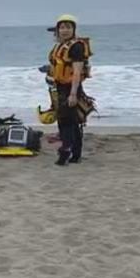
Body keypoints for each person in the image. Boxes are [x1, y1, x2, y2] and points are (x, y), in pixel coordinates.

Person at [45, 14, 92, 166]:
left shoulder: (76, 47)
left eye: (68, 27)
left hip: (71, 88)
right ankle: (76, 154)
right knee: (72, 121)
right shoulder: (59, 46)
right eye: (62, 28)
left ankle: (65, 151)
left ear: (74, 29)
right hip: (58, 87)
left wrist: (73, 94)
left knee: (65, 122)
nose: (65, 31)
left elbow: (77, 72)